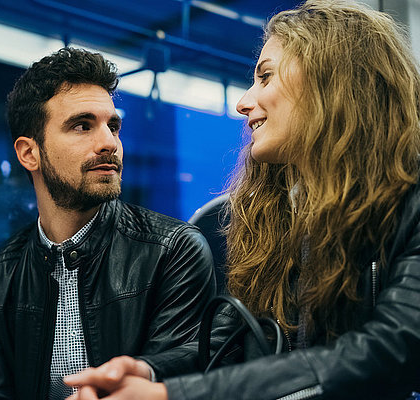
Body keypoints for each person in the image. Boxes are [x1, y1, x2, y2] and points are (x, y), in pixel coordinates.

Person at [64, 1, 420, 399]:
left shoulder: (412, 202)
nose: (243, 103)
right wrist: (149, 373)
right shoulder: (275, 215)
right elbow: (234, 341)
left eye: (265, 77)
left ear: (333, 80)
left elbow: (393, 349)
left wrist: (173, 396)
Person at [0, 48, 216, 400]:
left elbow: (172, 383)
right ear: (29, 153)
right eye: (82, 126)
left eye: (113, 126)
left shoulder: (174, 251)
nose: (109, 143)